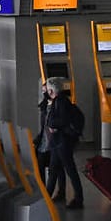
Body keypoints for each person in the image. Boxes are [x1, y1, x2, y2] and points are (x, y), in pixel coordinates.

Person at [41, 78, 85, 209]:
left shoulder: (60, 101)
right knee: (54, 169)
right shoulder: (59, 100)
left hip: (62, 142)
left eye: (47, 90)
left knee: (70, 169)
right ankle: (48, 197)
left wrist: (52, 125)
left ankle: (79, 198)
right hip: (58, 142)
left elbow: (61, 120)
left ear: (51, 90)